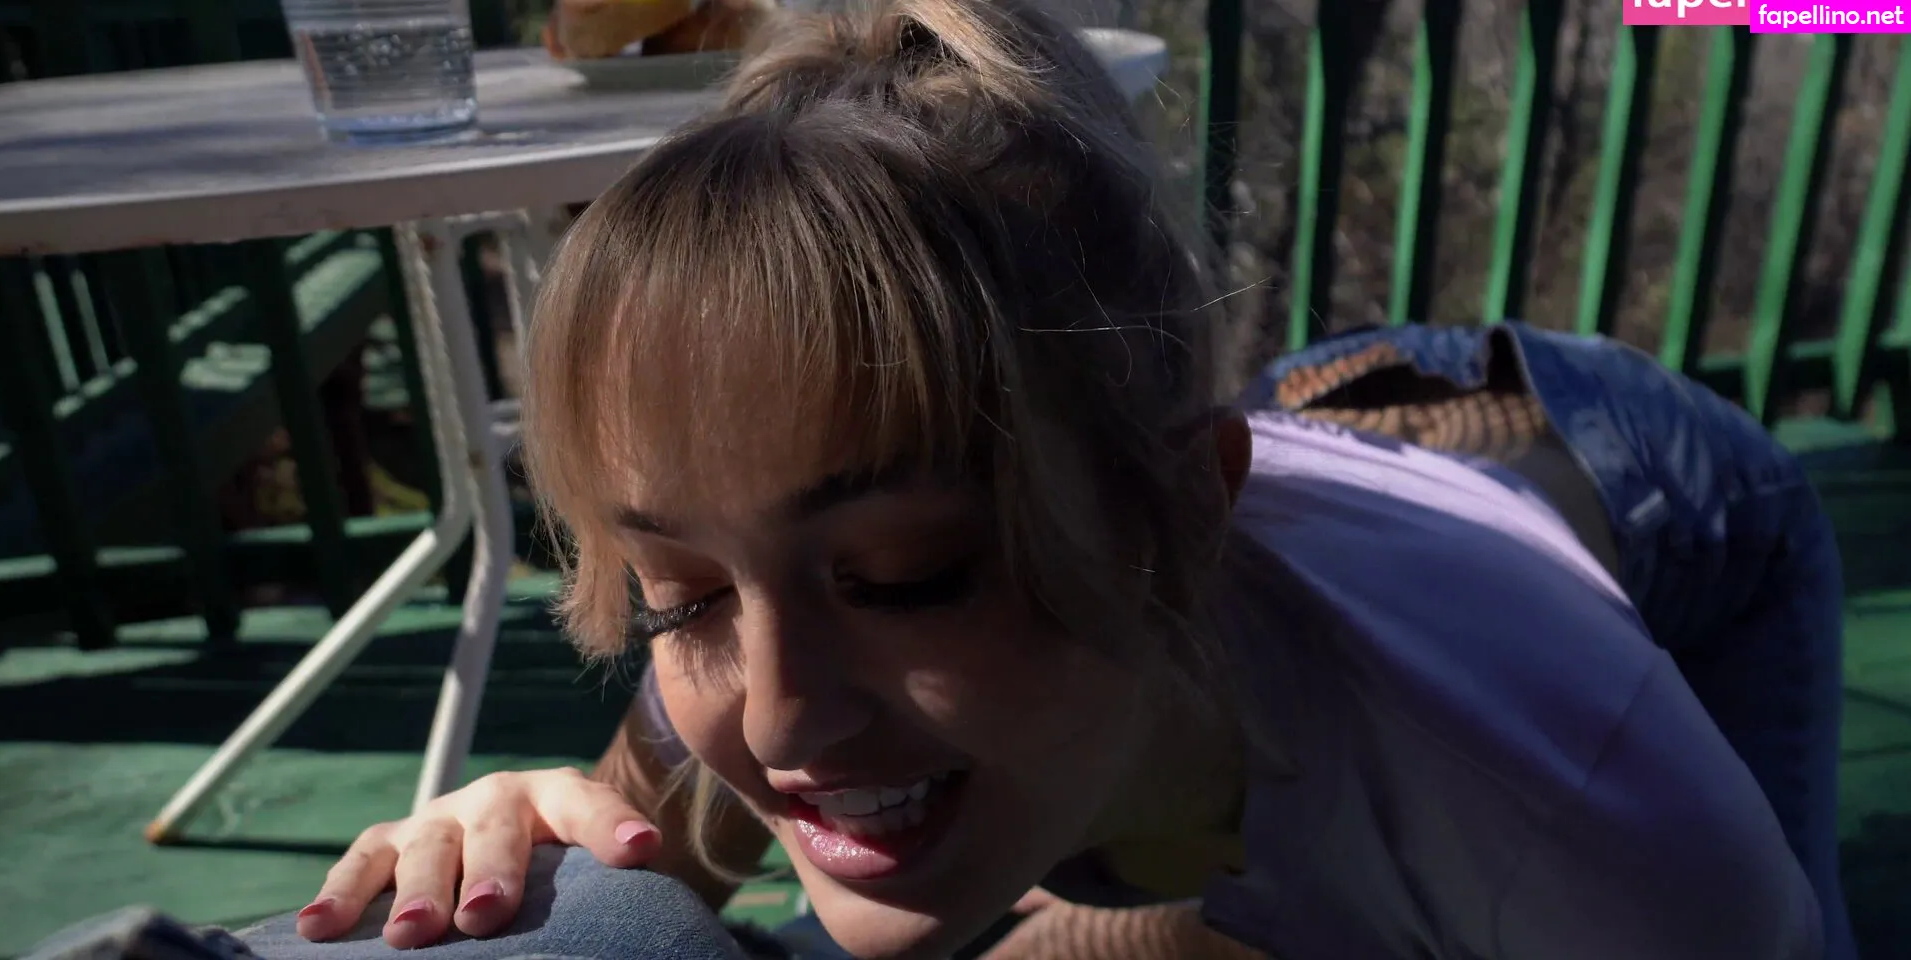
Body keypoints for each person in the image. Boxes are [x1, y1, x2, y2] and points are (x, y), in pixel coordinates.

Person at [255, 0, 1853, 957]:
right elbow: (637, 852)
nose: (778, 719)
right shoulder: (766, 652)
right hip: (1289, 430)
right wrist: (532, 850)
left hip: (1653, 485)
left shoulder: (1575, 816)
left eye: (906, 579)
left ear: (1186, 513)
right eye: (679, 594)